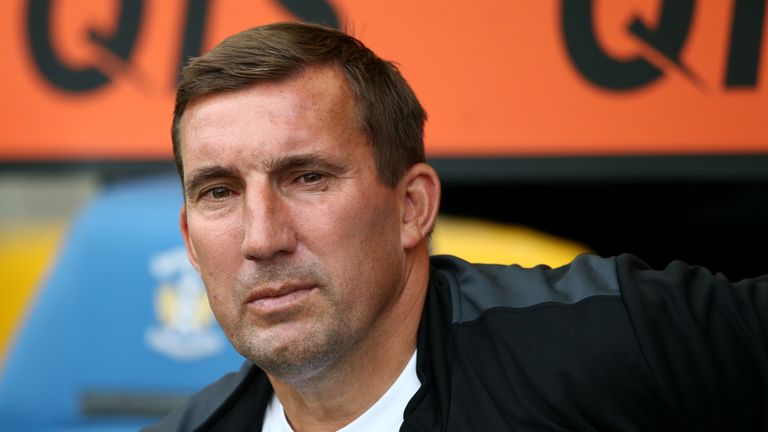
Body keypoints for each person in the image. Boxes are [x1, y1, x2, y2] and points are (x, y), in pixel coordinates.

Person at [147, 22, 767, 431]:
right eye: (220, 192)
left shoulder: (604, 340)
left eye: (307, 177)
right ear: (191, 244)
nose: (261, 238)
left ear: (411, 207)